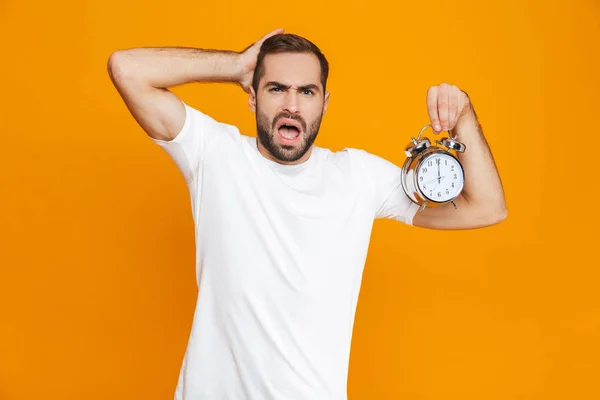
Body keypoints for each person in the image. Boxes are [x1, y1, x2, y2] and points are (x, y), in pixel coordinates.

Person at [107, 28, 507, 400]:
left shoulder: (357, 176)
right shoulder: (214, 154)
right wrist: (237, 65)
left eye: (307, 91)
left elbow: (486, 207)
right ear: (252, 96)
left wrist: (465, 118)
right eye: (276, 88)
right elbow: (126, 68)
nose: (292, 105)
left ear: (325, 102)